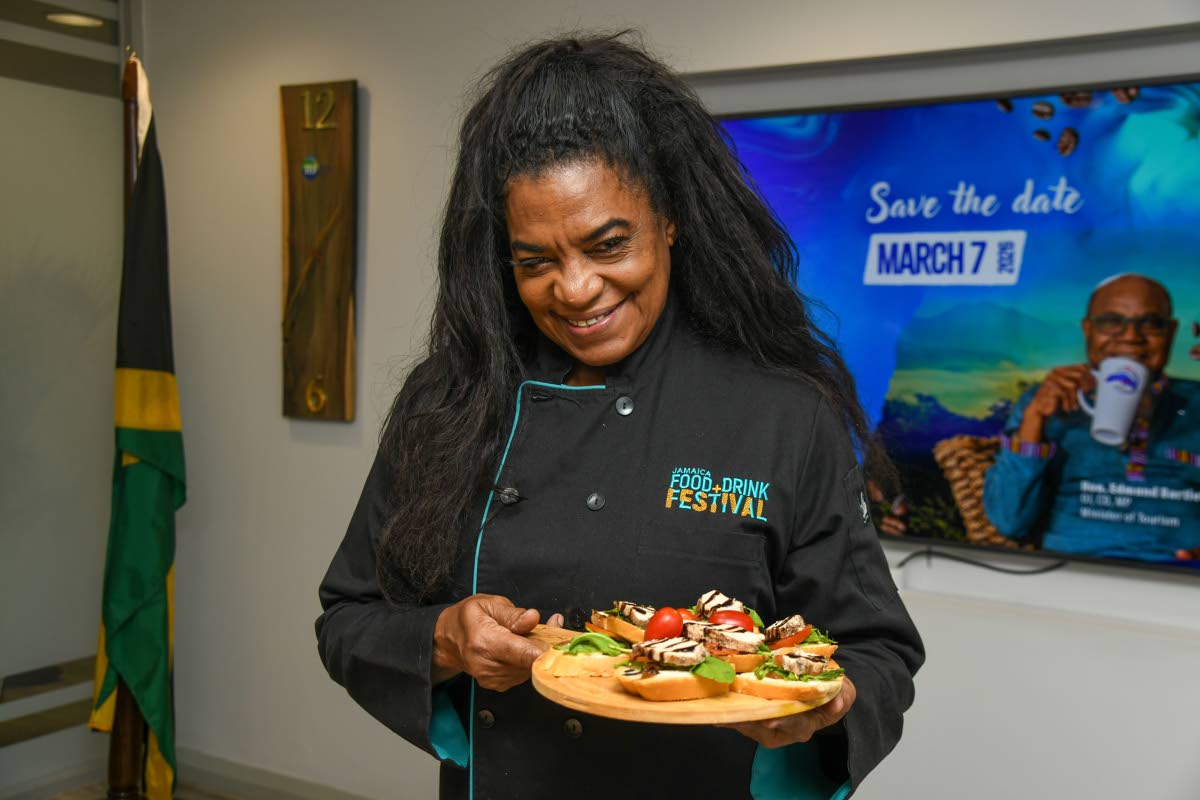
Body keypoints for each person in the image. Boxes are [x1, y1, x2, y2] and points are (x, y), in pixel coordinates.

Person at [316, 33, 924, 799]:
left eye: (609, 244)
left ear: (669, 219)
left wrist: (825, 705)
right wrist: (440, 641)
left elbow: (875, 648)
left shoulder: (780, 413)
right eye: (535, 260)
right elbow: (349, 617)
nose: (574, 289)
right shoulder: (450, 403)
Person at [983, 273, 1200, 561]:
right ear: (1088, 330)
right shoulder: (1047, 400)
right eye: (1111, 321)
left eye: (1150, 323)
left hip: (1178, 576)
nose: (1131, 337)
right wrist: (1034, 420)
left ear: (1171, 332)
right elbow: (1009, 521)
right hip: (1072, 570)